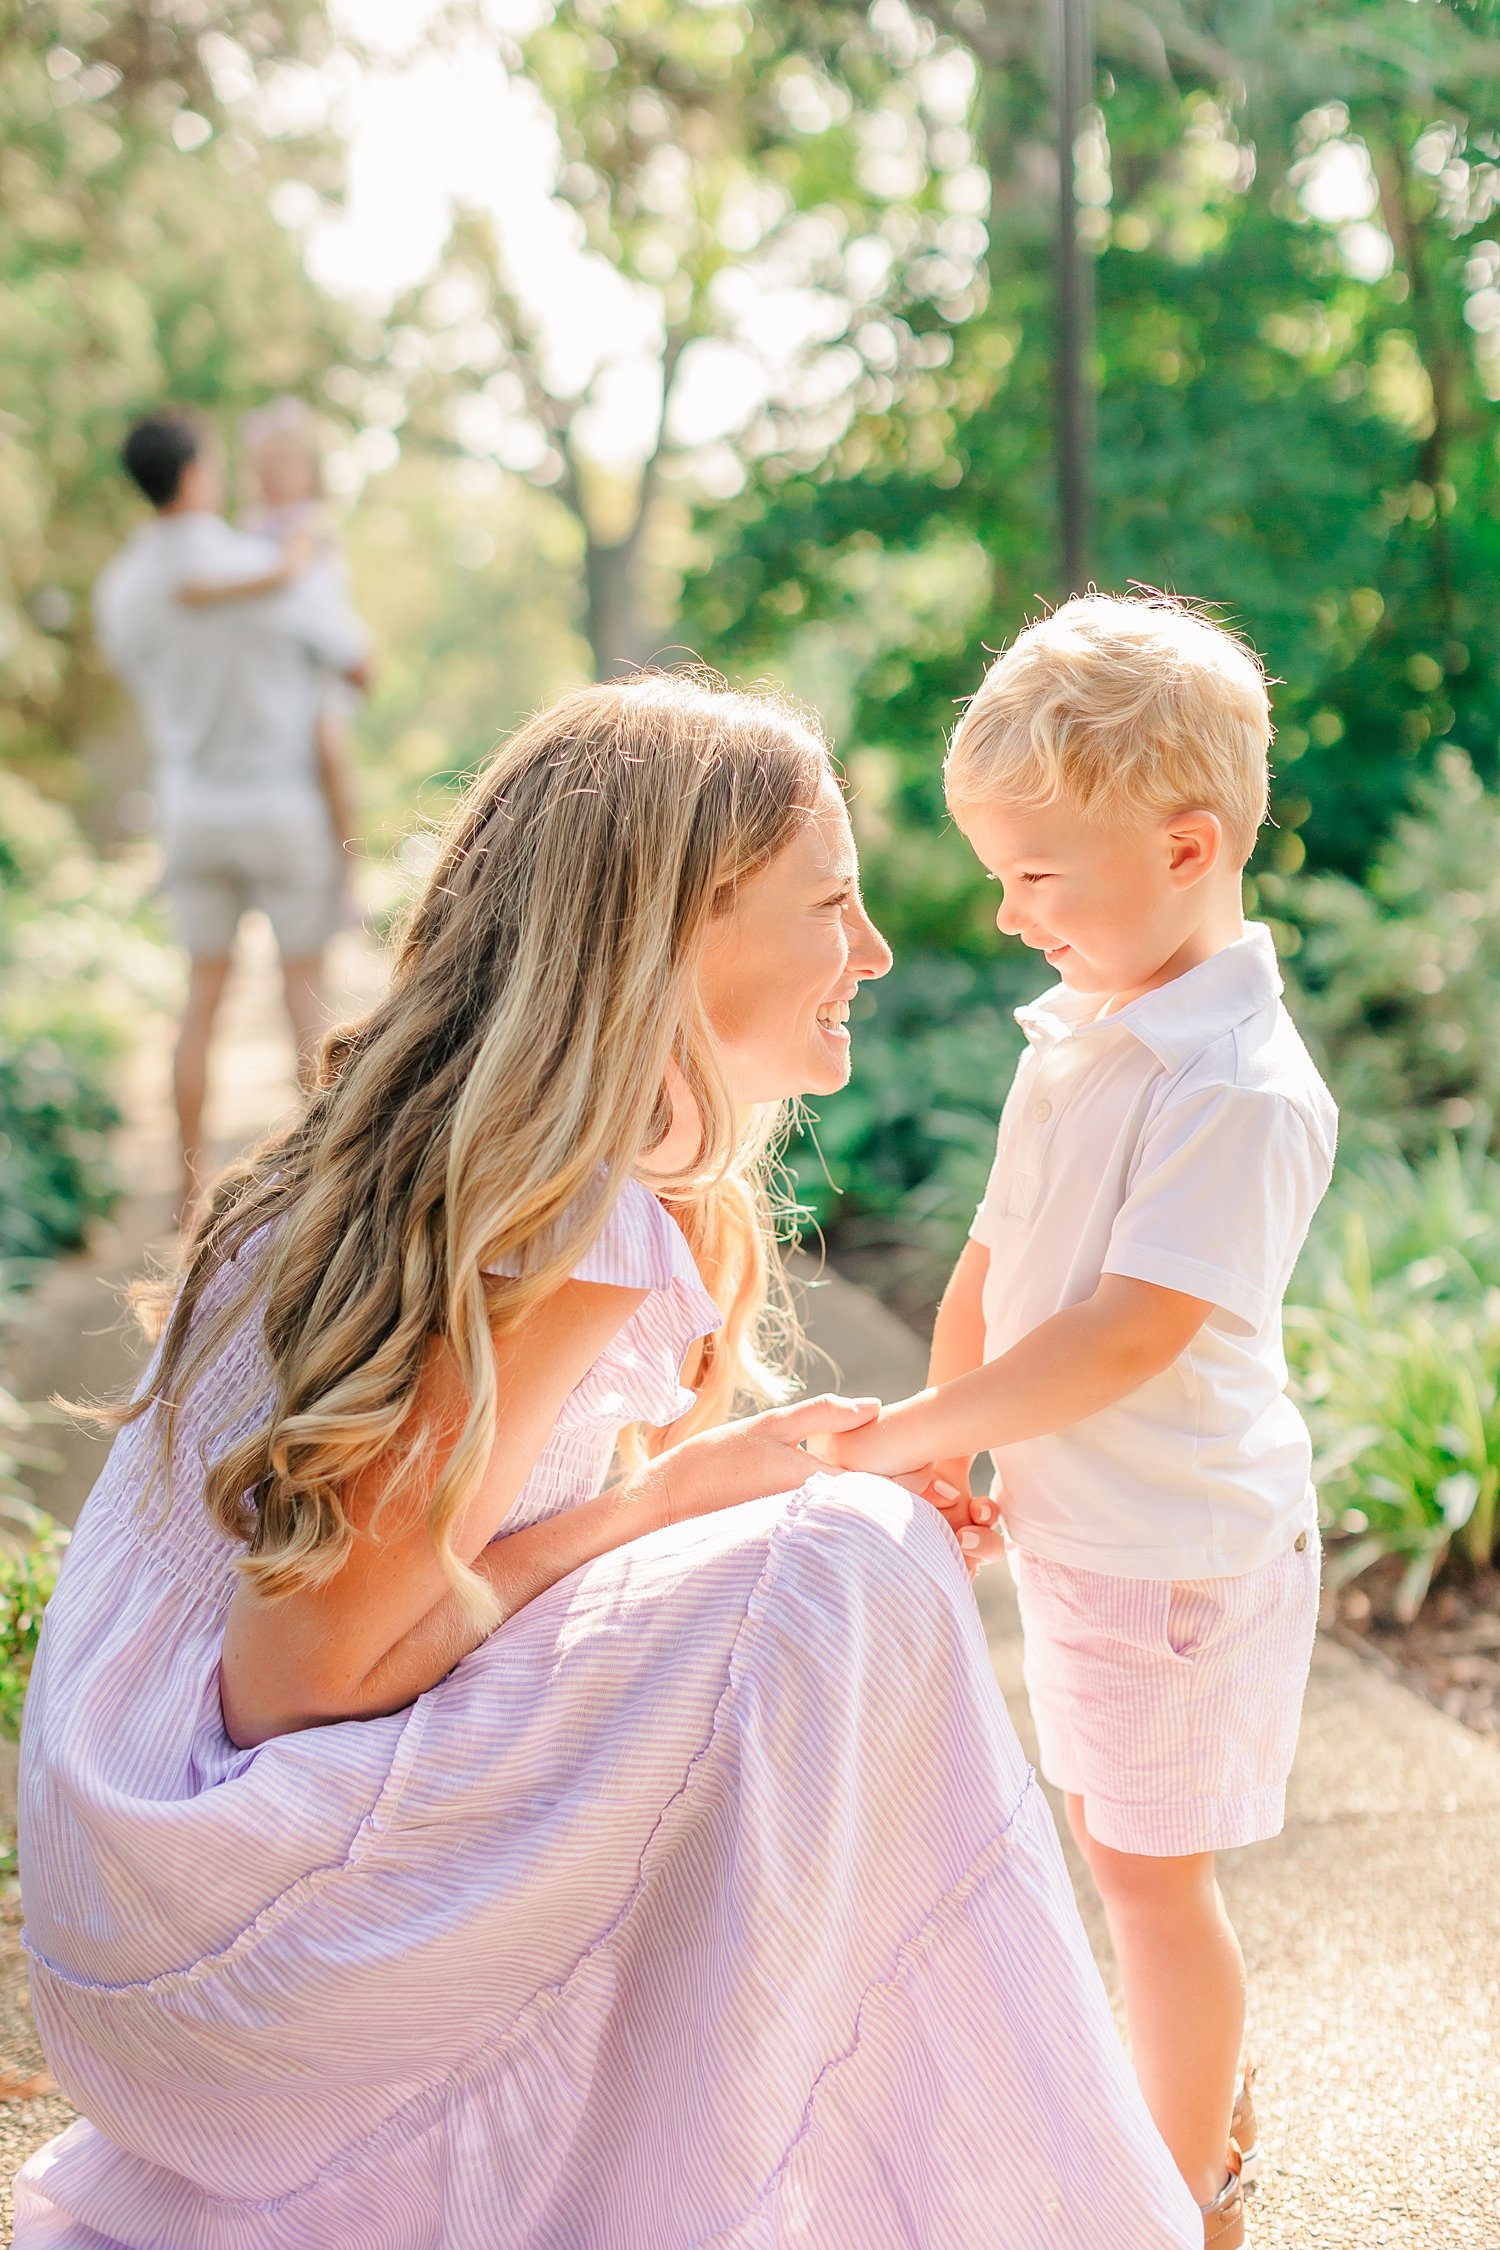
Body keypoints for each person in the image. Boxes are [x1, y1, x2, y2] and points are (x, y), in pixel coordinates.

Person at [14, 676, 1200, 2249]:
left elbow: (514, 1596)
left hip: (157, 1931)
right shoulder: (554, 1207)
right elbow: (304, 1677)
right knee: (839, 1572)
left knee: (819, 1571)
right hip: (227, 1932)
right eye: (831, 905)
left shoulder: (516, 1162)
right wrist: (697, 1494)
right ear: (672, 930)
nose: (874, 952)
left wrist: (731, 1485)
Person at [818, 597, 1337, 2250]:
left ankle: (1182, 2192)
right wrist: (960, 1436)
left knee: (1149, 1886)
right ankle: (1188, 2110)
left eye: (1038, 873)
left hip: (1177, 1555)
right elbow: (996, 1248)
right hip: (1096, 1534)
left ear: (1187, 849)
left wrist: (922, 1430)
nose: (1006, 908)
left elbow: (1125, 1332)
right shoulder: (1090, 1022)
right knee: (1114, 1851)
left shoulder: (1234, 1085)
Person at [93, 410, 370, 1219]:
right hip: (282, 806)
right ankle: (317, 1187)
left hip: (191, 809)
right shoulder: (263, 564)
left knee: (201, 997)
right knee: (305, 997)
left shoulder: (122, 588)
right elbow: (359, 664)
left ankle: (185, 1193)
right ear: (192, 475)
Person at [175, 396, 364, 932]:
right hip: (281, 669)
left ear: (309, 474)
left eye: (283, 466)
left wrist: (209, 593)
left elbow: (284, 576)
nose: (270, 478)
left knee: (329, 753)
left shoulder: (308, 526)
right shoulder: (248, 527)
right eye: (260, 467)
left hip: (320, 664)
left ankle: (349, 874)